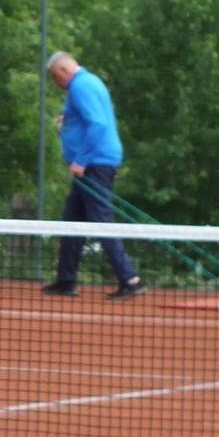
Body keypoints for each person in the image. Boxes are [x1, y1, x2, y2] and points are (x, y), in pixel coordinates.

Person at [43, 51, 147, 300]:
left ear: (64, 71)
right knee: (72, 220)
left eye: (56, 77)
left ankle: (131, 280)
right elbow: (86, 117)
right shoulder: (88, 82)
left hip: (95, 164)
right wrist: (65, 122)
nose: (56, 83)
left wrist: (82, 160)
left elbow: (98, 123)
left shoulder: (80, 87)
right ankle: (66, 280)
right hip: (93, 163)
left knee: (101, 219)